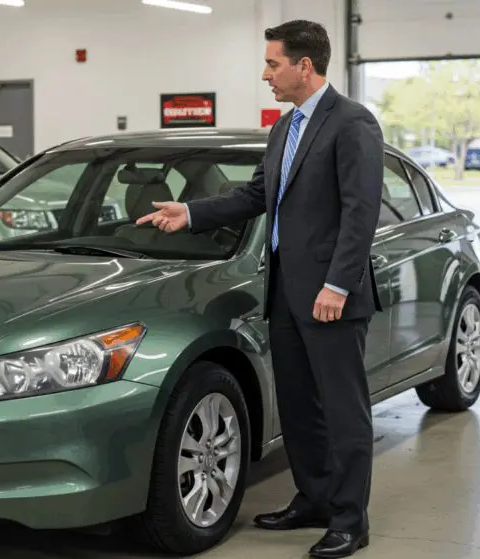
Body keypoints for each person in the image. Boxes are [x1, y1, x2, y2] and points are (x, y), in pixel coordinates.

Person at [136, 20, 383, 559]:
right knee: (297, 406)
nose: (265, 74)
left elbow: (360, 214)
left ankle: (350, 520)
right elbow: (255, 195)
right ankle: (314, 500)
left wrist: (337, 285)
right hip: (286, 293)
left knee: (344, 412)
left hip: (330, 296)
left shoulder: (352, 123)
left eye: (273, 63)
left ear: (304, 66)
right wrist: (190, 212)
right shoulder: (284, 128)